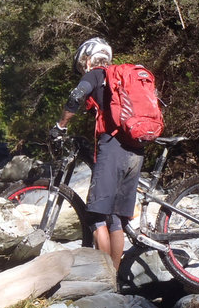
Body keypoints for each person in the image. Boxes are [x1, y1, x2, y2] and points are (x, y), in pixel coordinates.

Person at [50, 38, 145, 270]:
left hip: (112, 148)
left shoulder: (96, 75)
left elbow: (76, 97)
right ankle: (115, 279)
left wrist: (60, 125)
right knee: (116, 220)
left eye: (82, 64)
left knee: (96, 217)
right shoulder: (120, 78)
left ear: (87, 59)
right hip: (136, 148)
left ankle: (104, 277)